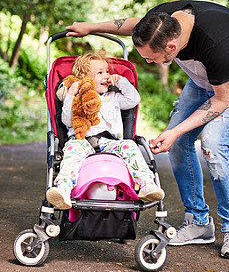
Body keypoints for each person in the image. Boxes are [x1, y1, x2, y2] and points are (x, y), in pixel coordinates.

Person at [65, 0, 229, 259]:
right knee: (179, 142)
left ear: (172, 47)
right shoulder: (161, 20)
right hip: (203, 78)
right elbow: (133, 25)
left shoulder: (217, 42)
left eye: (151, 57)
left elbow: (222, 99)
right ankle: (198, 223)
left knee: (213, 143)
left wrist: (176, 131)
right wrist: (90, 28)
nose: (148, 60)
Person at [46, 53, 165, 209]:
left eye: (107, 71)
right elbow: (67, 121)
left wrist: (121, 81)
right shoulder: (77, 99)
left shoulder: (114, 97)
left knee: (129, 145)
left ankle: (146, 183)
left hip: (110, 143)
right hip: (82, 141)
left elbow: (133, 100)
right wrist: (70, 95)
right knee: (72, 153)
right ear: (84, 79)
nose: (106, 76)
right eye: (100, 73)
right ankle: (63, 189)